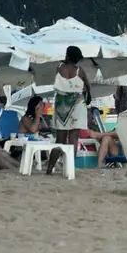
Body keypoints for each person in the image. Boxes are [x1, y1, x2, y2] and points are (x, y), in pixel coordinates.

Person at [46, 46, 91, 176]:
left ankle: (50, 168)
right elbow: (87, 86)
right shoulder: (79, 70)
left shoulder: (59, 68)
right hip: (77, 104)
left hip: (61, 105)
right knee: (73, 139)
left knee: (59, 139)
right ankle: (69, 169)